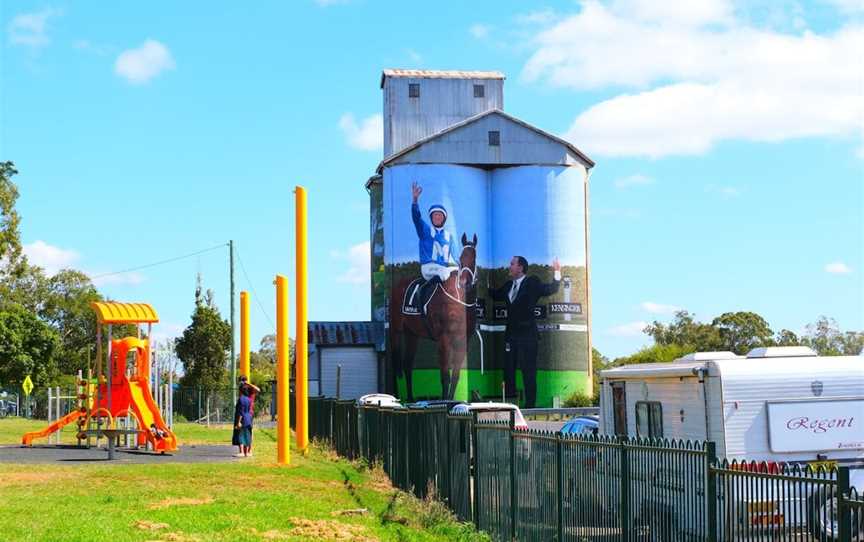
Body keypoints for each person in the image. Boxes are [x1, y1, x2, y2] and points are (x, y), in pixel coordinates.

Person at [491, 256, 561, 408]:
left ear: (520, 267)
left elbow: (551, 289)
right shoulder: (509, 285)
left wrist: (557, 272)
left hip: (528, 336)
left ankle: (530, 406)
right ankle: (510, 405)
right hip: (511, 336)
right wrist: (474, 278)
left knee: (528, 372)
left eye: (512, 264)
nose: (509, 267)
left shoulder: (532, 283)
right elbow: (494, 295)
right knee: (508, 371)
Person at [410, 181, 459, 314]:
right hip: (429, 267)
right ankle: (422, 291)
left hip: (444, 268)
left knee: (457, 272)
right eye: (435, 215)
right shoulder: (425, 230)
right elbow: (416, 218)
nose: (437, 217)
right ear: (431, 218)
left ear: (444, 218)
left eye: (440, 215)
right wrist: (415, 200)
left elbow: (455, 257)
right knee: (444, 273)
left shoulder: (449, 236)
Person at [233, 384, 254, 458]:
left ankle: (242, 452)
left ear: (240, 391)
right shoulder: (248, 399)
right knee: (247, 435)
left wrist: (239, 422)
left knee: (241, 435)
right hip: (249, 418)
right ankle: (247, 452)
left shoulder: (241, 399)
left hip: (243, 419)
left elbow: (241, 412)